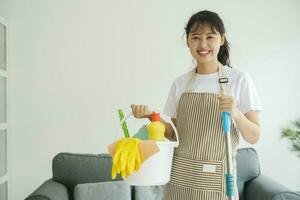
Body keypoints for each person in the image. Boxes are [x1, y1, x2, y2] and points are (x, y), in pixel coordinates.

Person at [131, 10, 262, 200]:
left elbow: (254, 136)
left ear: (222, 39)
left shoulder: (239, 80)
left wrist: (234, 112)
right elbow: (173, 133)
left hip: (217, 183)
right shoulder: (180, 83)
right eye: (195, 37)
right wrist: (151, 116)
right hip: (179, 180)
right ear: (188, 41)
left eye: (210, 37)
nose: (203, 45)